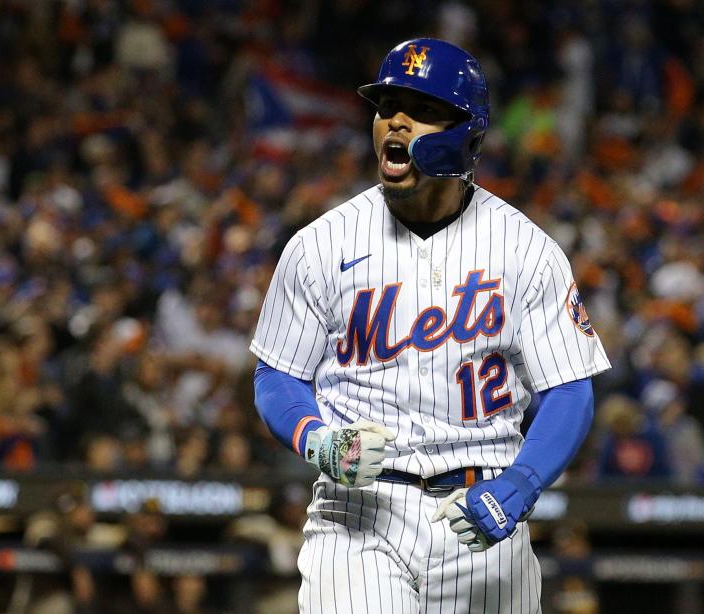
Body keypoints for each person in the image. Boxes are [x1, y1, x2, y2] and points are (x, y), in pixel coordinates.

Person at [250, 38, 610, 613]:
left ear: (467, 131)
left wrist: (521, 484)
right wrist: (315, 437)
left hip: (483, 510)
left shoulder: (525, 249)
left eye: (419, 107)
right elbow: (276, 375)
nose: (394, 120)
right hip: (358, 514)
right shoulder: (319, 245)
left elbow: (570, 389)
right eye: (386, 104)